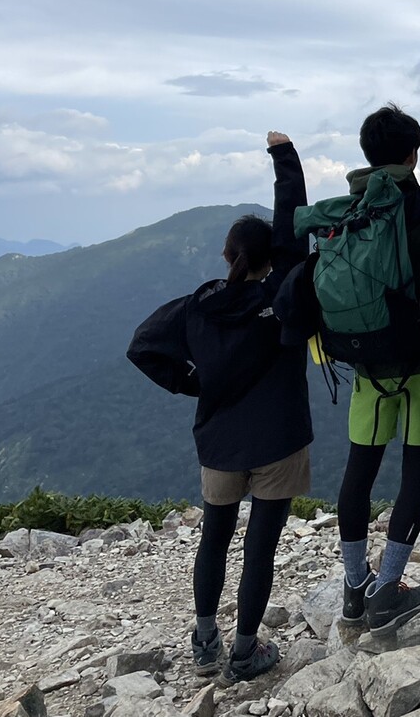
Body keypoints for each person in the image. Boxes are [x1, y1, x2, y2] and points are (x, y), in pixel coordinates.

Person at [292, 36, 420, 634]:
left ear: (365, 155)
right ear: (411, 154)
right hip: (418, 364)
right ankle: (390, 586)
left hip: (363, 366)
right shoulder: (418, 209)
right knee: (417, 474)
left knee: (359, 472)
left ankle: (355, 586)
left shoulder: (341, 217)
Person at [127, 131, 310, 684]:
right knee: (261, 548)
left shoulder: (198, 306)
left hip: (220, 443)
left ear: (227, 256)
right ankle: (245, 652)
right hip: (278, 440)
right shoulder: (280, 296)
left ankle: (205, 642)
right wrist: (285, 156)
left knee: (215, 535)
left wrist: (192, 383)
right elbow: (291, 220)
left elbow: (141, 346)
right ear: (269, 258)